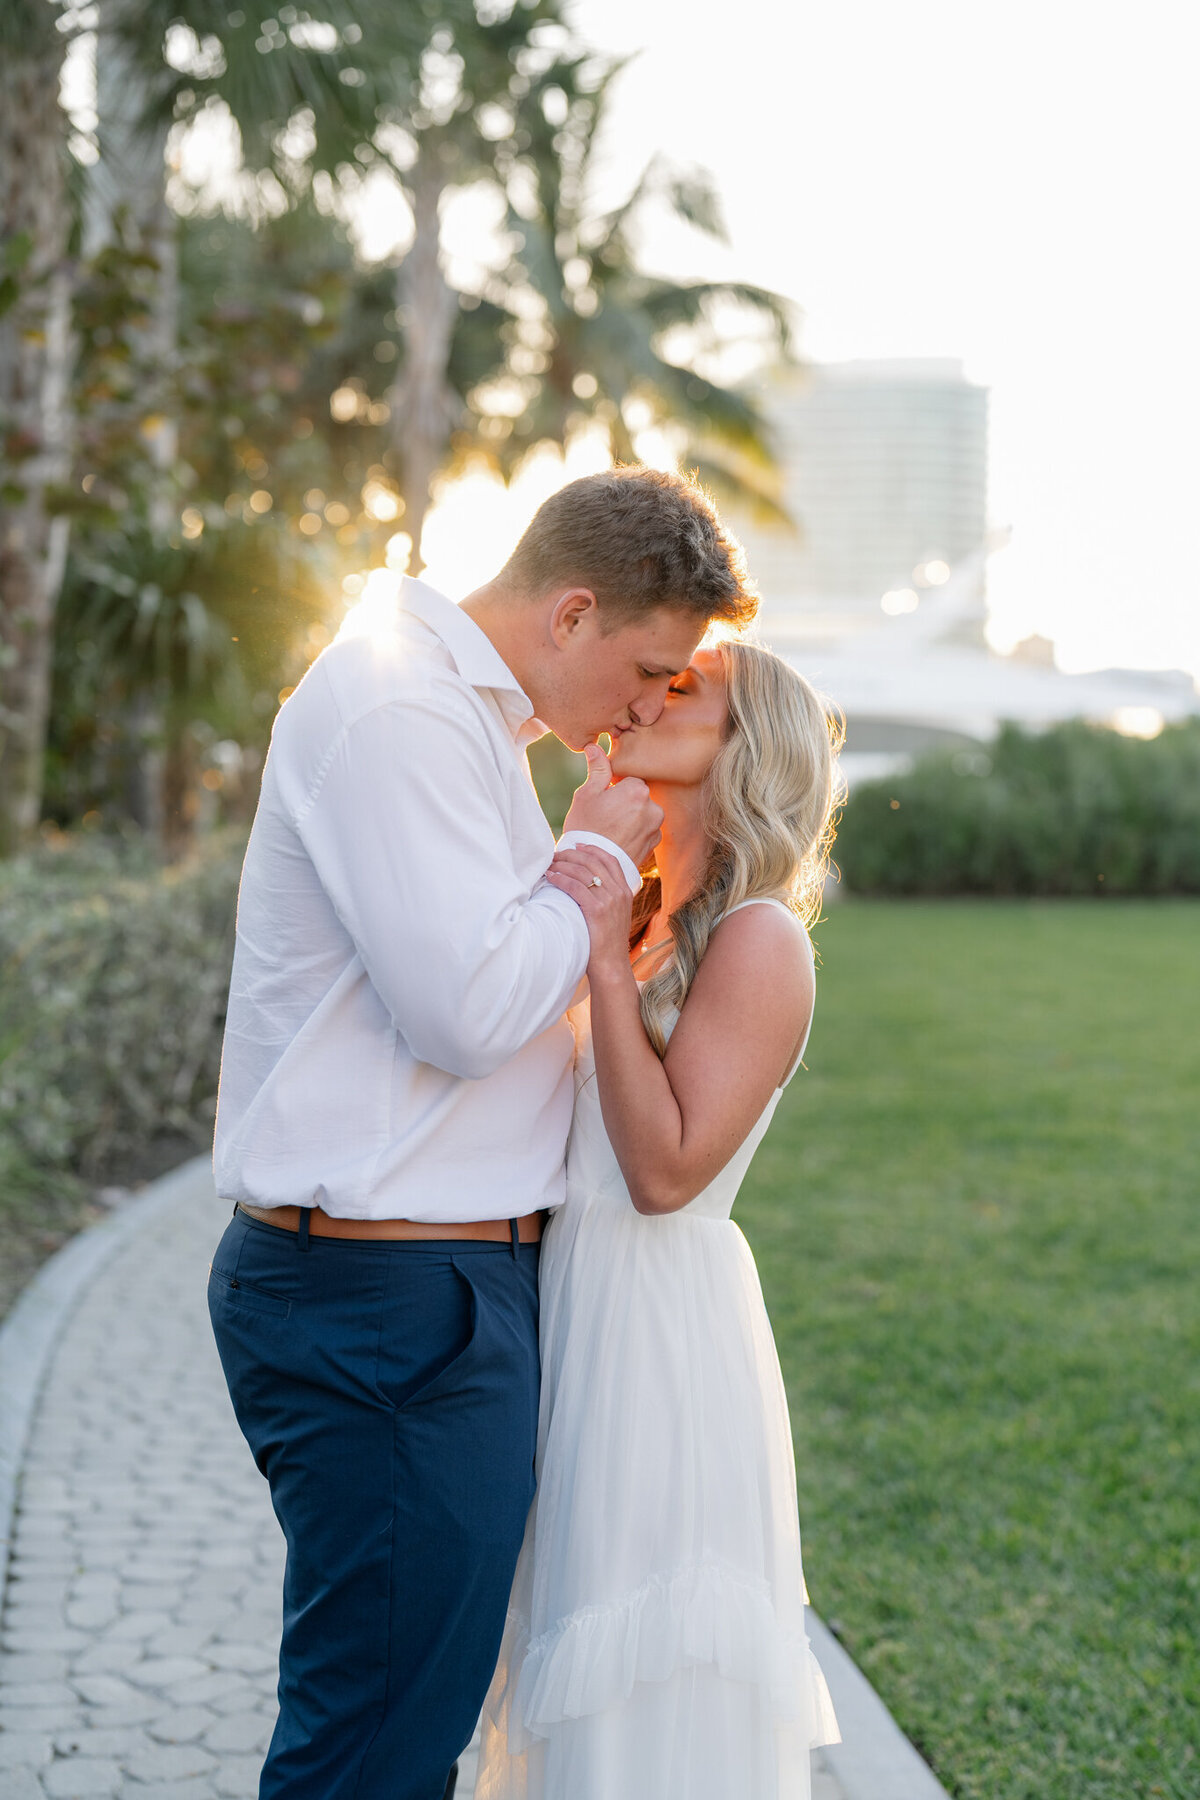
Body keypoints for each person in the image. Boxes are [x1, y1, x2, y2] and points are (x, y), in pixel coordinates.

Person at [206, 466, 758, 1800]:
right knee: (378, 1745)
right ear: (570, 614)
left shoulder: (465, 731)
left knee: (402, 1720)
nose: (647, 705)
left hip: (426, 1289)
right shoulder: (399, 707)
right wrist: (594, 865)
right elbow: (464, 1011)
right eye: (646, 666)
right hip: (387, 1296)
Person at [476, 639, 843, 1800]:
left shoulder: (761, 939)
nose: (649, 693)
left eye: (686, 689)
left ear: (746, 748)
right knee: (558, 1662)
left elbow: (666, 1172)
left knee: (636, 1684)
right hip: (570, 1312)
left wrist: (599, 963)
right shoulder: (640, 926)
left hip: (659, 1342)